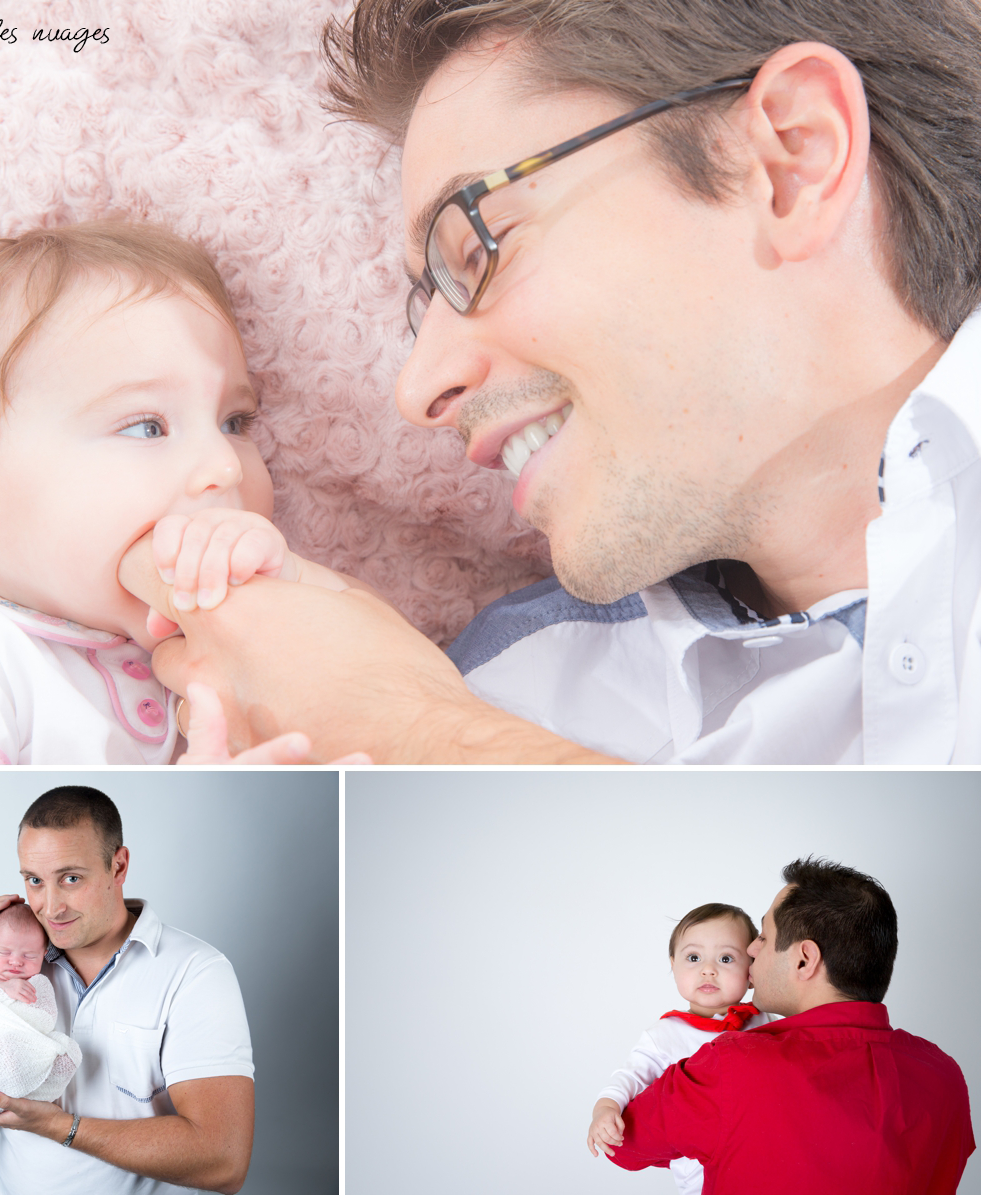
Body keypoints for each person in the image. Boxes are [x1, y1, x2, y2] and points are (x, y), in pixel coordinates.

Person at [119, 0, 981, 763]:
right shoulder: (512, 682)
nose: (416, 389)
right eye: (422, 307)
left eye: (478, 247)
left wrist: (414, 731)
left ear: (793, 157)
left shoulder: (429, 723)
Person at [0, 220, 347, 765]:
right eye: (147, 426)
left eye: (234, 422)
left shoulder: (219, 639)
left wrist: (293, 588)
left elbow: (398, 682)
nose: (225, 466)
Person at [0, 786, 255, 1194]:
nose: (50, 907)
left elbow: (223, 1161)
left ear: (118, 866)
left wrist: (58, 1126)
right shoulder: (14, 968)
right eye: (34, 880)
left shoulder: (195, 972)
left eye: (71, 878)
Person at [608, 858, 974, 1189]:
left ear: (804, 960)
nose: (751, 950)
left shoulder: (730, 1066)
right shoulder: (946, 1077)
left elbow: (622, 1145)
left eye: (764, 937)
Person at [585, 903, 776, 1194]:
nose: (708, 970)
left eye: (726, 958)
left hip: (766, 1165)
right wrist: (606, 1108)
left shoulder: (768, 1022)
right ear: (673, 965)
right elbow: (631, 1076)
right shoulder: (664, 1035)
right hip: (700, 1178)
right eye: (694, 957)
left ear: (750, 971)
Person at [0, 903, 80, 1117]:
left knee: (68, 1052)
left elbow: (45, 1019)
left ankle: (35, 1096)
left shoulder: (40, 982)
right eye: (4, 952)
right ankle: (0, 1093)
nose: (16, 962)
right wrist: (5, 986)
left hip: (25, 1052)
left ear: (44, 954)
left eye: (29, 956)